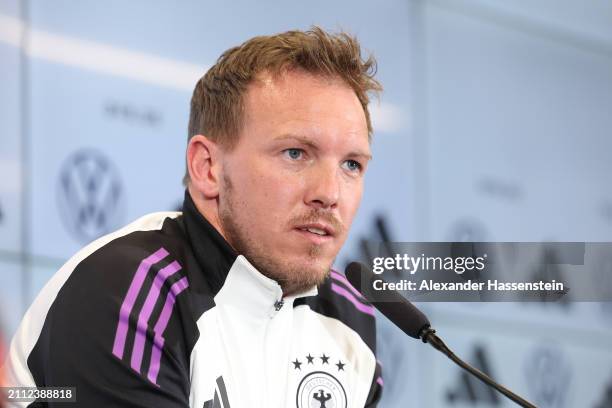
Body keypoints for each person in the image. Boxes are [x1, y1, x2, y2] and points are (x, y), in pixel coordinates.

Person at [2, 27, 383, 407]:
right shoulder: (127, 291)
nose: (330, 193)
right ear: (208, 167)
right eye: (295, 154)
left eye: (352, 164)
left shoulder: (351, 318)